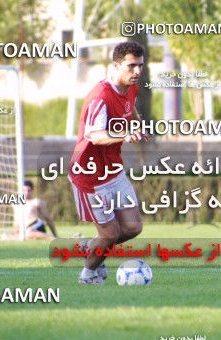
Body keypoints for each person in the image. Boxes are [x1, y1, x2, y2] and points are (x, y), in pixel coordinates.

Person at [68, 41, 151, 284]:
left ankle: (92, 248)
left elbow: (130, 109)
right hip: (90, 177)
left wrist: (137, 125)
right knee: (110, 234)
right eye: (131, 66)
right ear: (115, 65)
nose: (136, 72)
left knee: (133, 228)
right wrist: (124, 135)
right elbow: (94, 135)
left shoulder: (130, 87)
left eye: (140, 66)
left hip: (113, 171)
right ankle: (88, 275)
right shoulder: (100, 97)